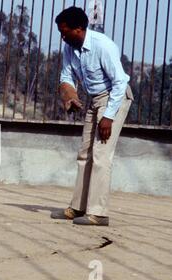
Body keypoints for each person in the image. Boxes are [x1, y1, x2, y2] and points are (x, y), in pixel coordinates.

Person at [51, 6, 134, 226]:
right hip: (95, 99)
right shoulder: (70, 48)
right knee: (84, 153)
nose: (62, 37)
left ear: (79, 29)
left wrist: (108, 116)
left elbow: (119, 82)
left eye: (65, 31)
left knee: (101, 154)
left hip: (115, 98)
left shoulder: (103, 45)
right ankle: (78, 208)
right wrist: (69, 95)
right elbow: (66, 76)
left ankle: (99, 213)